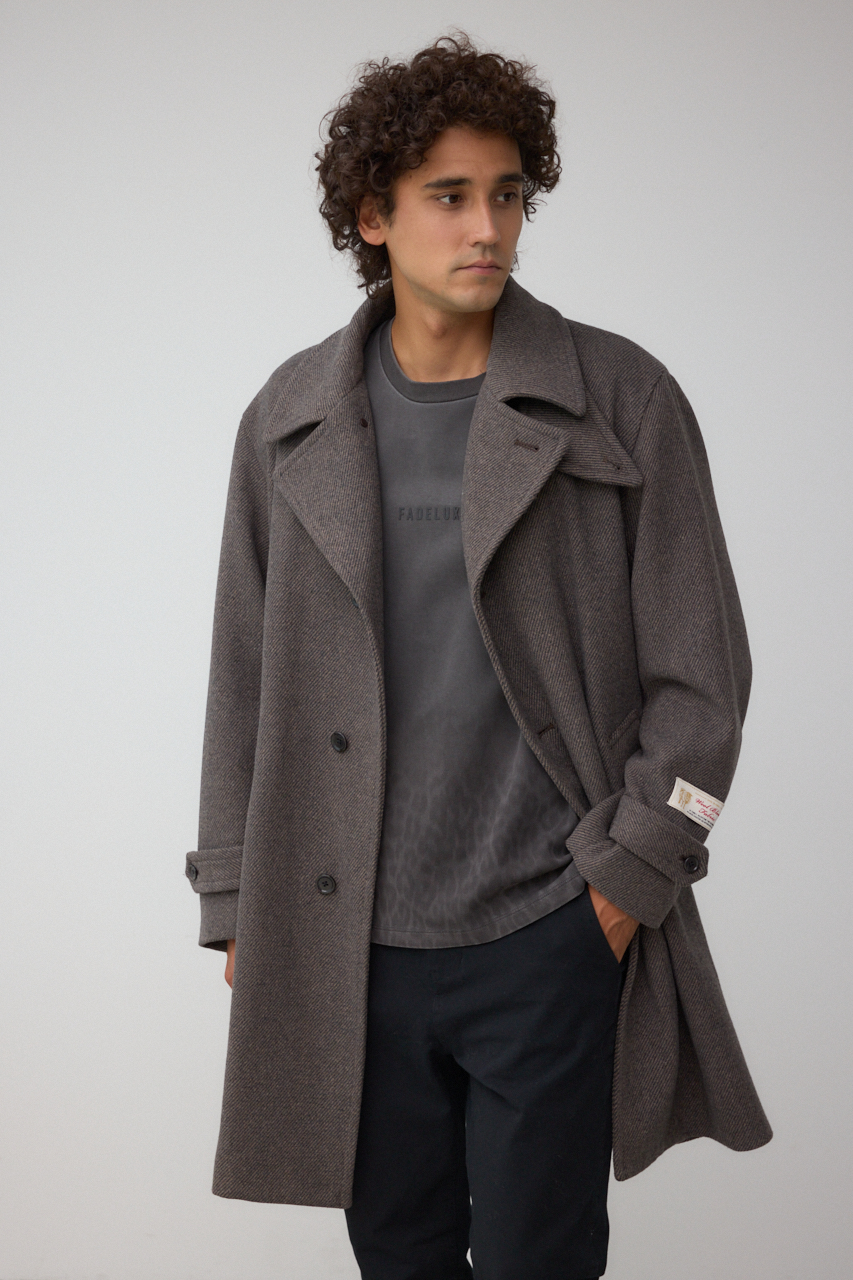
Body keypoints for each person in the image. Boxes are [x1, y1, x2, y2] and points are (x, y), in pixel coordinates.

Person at [185, 34, 771, 1280]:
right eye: (448, 196)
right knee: (397, 1255)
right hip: (347, 942)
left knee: (536, 1261)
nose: (487, 227)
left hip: (548, 928)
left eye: (507, 194)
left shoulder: (622, 400)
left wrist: (624, 883)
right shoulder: (289, 419)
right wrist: (236, 898)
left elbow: (704, 683)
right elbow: (241, 673)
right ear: (373, 216)